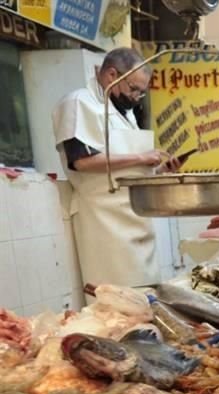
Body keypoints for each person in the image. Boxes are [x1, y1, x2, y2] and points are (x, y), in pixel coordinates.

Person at [52, 47, 176, 290]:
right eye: (133, 89)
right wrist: (141, 157)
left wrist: (160, 170)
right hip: (104, 224)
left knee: (145, 298)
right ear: (111, 75)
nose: (136, 98)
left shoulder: (125, 114)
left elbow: (129, 173)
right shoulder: (79, 103)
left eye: (141, 92)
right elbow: (82, 161)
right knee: (113, 303)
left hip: (137, 220)